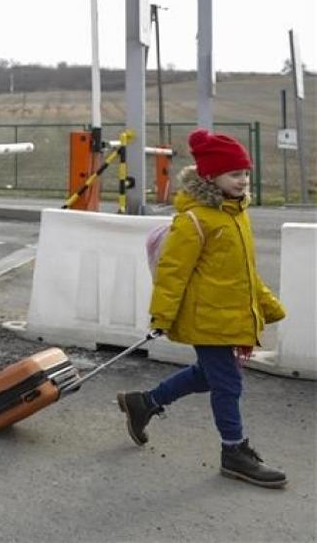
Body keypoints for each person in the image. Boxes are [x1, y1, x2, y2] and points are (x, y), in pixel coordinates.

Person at [117, 129, 288, 489]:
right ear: (211, 176)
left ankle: (144, 402)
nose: (242, 180)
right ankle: (233, 451)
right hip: (205, 317)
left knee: (209, 376)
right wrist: (161, 317)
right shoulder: (195, 219)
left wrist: (266, 304)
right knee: (228, 383)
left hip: (227, 315)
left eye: (245, 173)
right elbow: (172, 273)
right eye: (234, 174)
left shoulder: (236, 214)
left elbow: (243, 272)